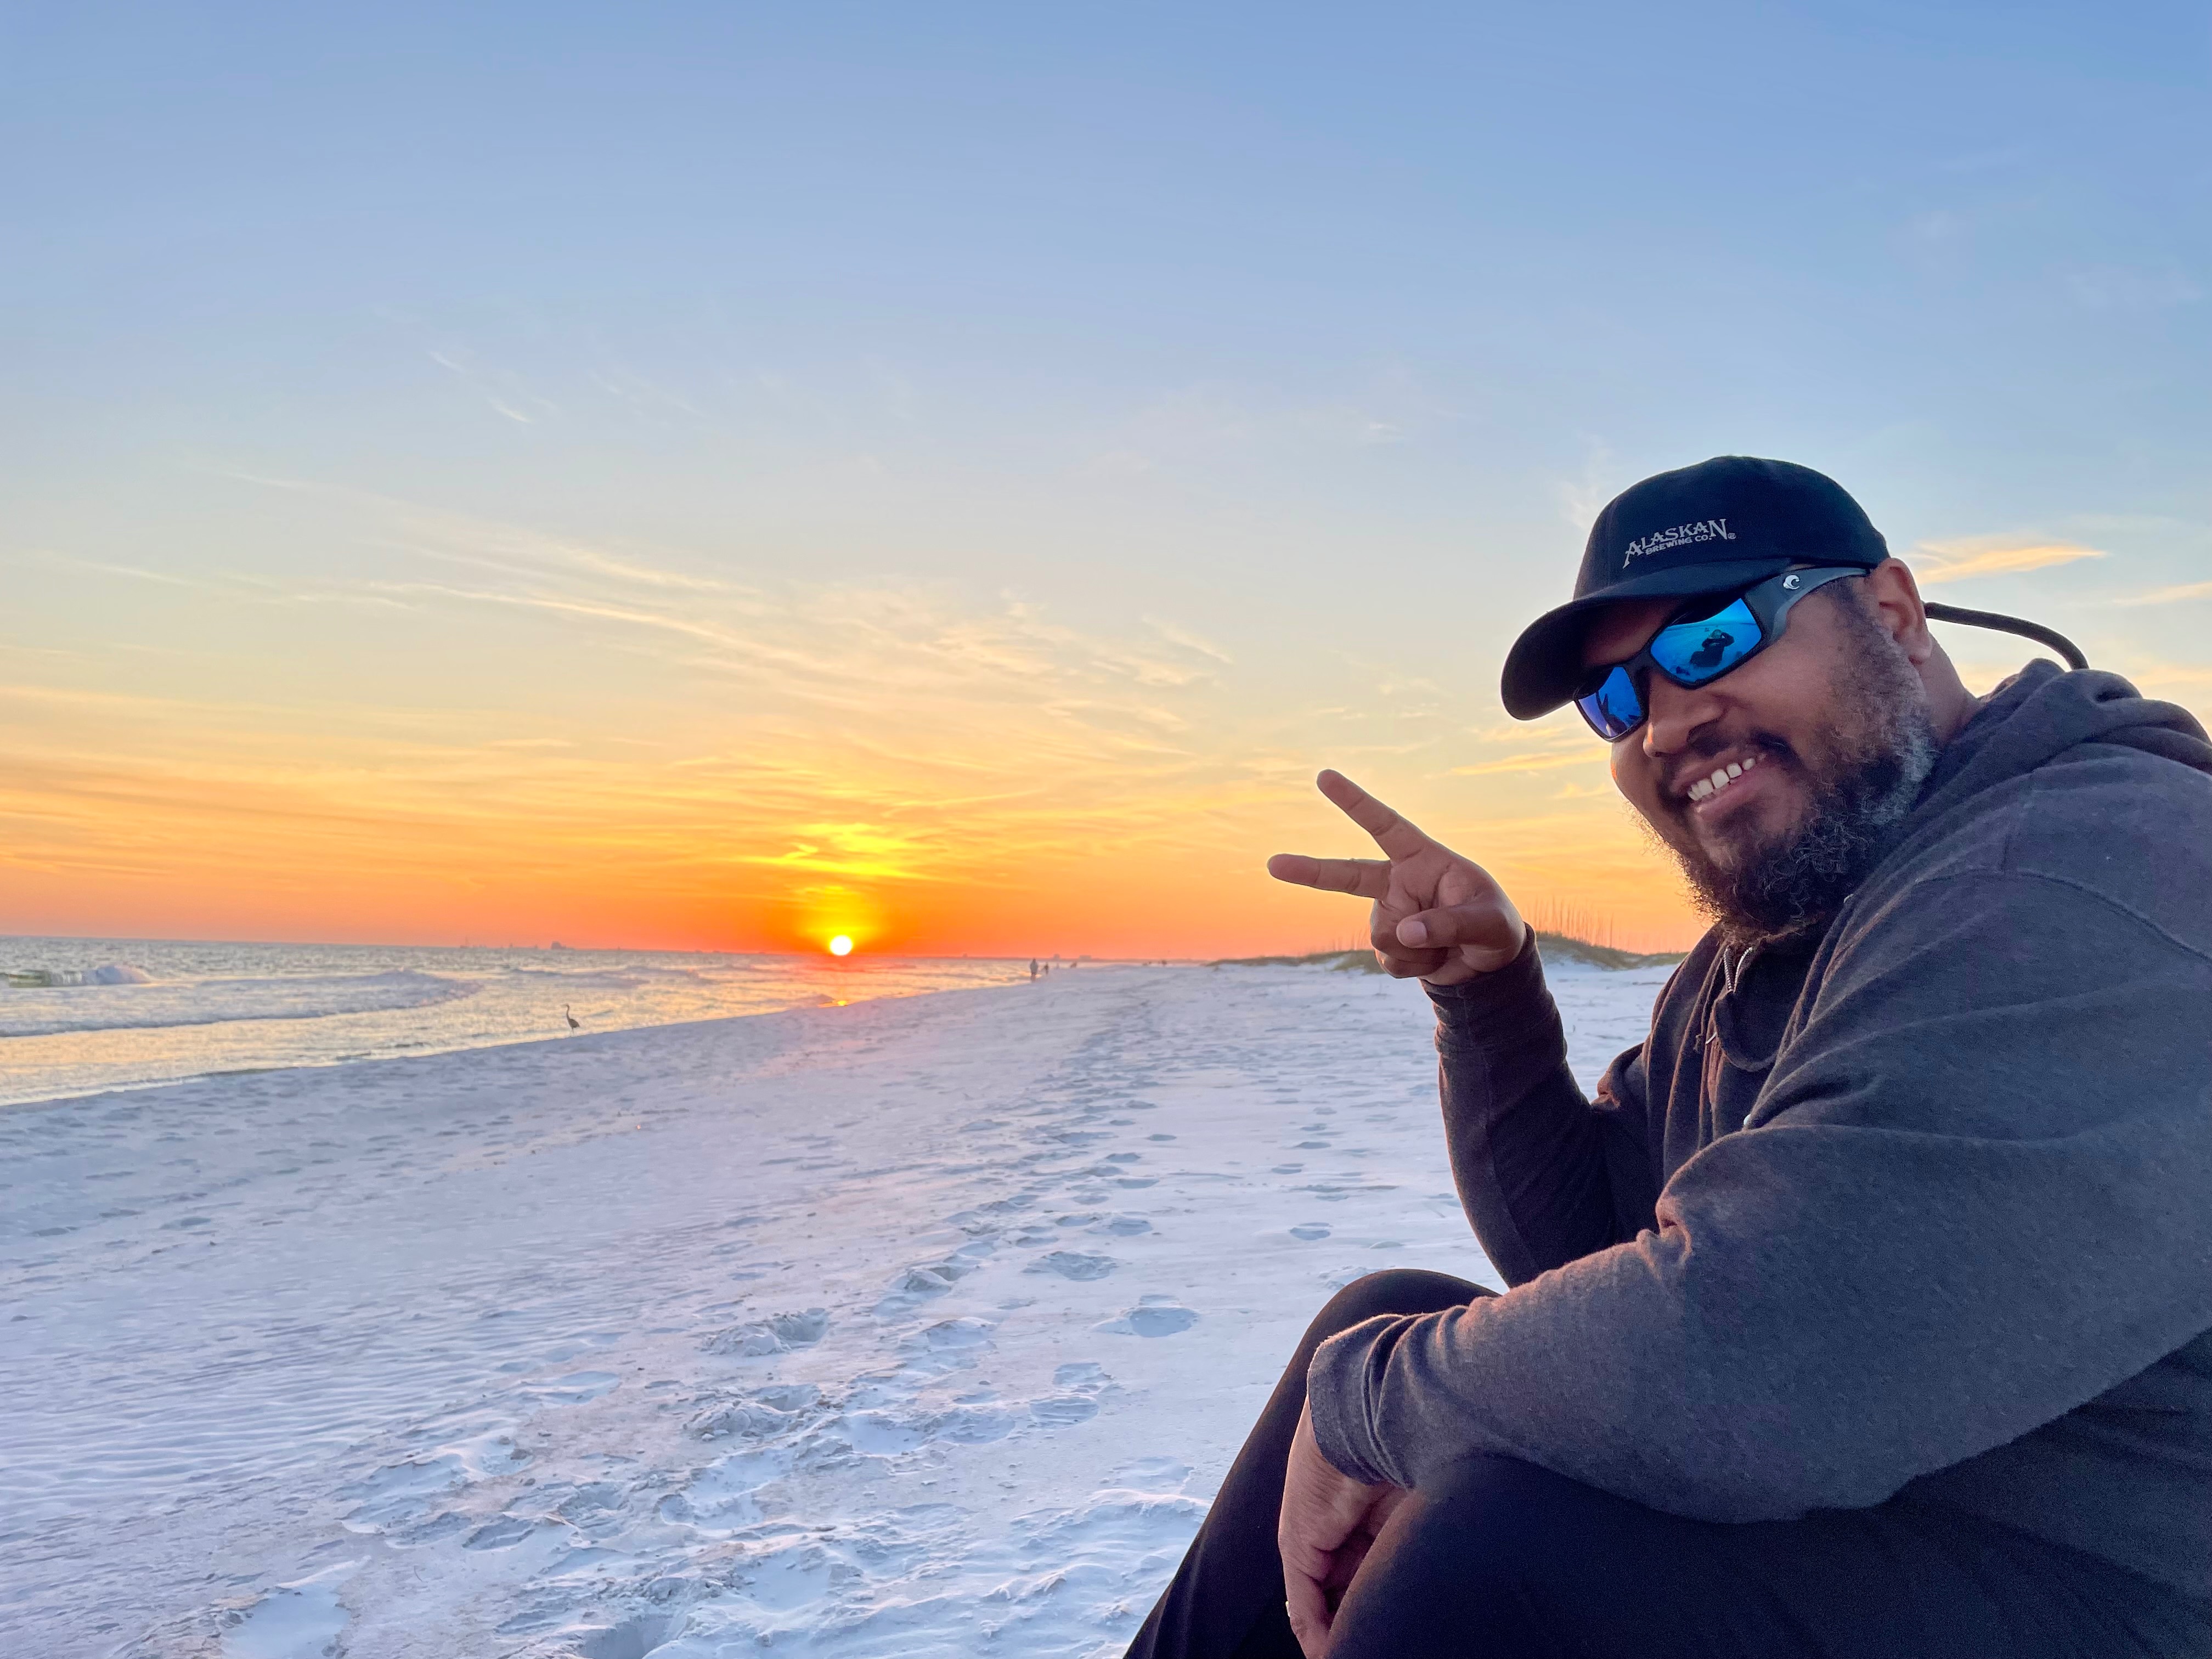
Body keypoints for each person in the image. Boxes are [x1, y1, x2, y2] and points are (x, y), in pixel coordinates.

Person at [1125, 456, 2212, 1658]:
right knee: (1389, 1321)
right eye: (1618, 698)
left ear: (1893, 616)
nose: (1668, 723)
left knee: (1493, 1543)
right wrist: (1487, 998)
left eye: (1714, 637)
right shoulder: (1776, 945)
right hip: (1884, 1514)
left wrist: (1370, 1407)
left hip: (2100, 1583)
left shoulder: (2085, 872)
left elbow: (1764, 1360)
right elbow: (1589, 1249)